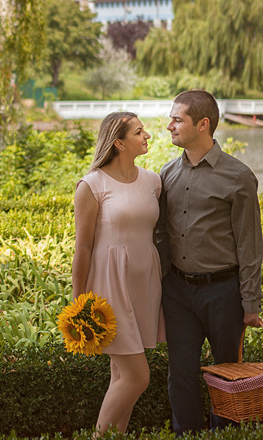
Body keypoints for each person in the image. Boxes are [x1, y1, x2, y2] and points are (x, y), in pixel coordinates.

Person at [155, 89, 263, 434]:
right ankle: (186, 434)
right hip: (177, 292)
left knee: (227, 374)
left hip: (223, 294)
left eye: (177, 119)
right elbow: (160, 236)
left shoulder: (238, 177)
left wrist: (251, 302)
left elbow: (250, 244)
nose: (169, 125)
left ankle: (223, 433)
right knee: (181, 374)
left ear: (203, 124)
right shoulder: (166, 173)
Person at [72, 111, 164, 434]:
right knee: (138, 376)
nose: (147, 136)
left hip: (143, 284)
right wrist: (78, 302)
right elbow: (82, 248)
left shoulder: (154, 182)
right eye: (140, 132)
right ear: (119, 143)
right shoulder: (92, 185)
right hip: (109, 287)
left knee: (121, 376)